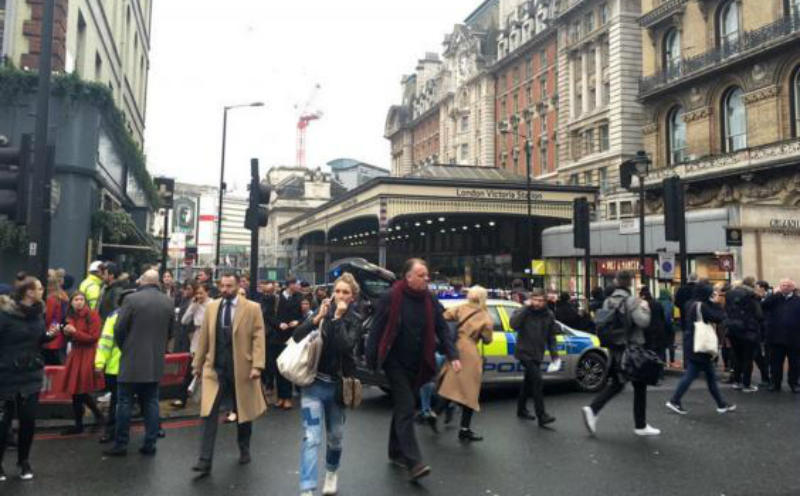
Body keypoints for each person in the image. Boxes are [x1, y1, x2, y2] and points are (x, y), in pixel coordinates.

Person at [366, 258, 459, 481]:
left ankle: (395, 452)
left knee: (401, 407)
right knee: (407, 406)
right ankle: (414, 462)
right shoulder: (391, 297)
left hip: (417, 363)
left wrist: (453, 355)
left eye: (427, 275)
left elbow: (442, 329)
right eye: (421, 275)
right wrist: (371, 359)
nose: (426, 278)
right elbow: (376, 330)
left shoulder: (430, 299)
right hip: (394, 362)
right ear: (408, 277)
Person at [293, 273, 362, 496]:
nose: (340, 295)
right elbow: (296, 336)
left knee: (335, 438)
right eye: (337, 291)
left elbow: (345, 346)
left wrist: (338, 319)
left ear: (352, 297)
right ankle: (307, 487)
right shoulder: (321, 312)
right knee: (311, 438)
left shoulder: (355, 320)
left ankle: (331, 472)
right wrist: (316, 319)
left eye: (345, 292)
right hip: (313, 385)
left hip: (337, 388)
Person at [191, 273, 266, 476]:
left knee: (243, 411)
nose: (225, 290)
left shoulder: (252, 308)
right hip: (215, 369)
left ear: (238, 285)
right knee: (208, 413)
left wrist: (257, 366)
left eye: (229, 286)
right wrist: (197, 364)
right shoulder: (212, 307)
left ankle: (244, 448)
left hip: (241, 369)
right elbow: (204, 338)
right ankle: (204, 460)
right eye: (222, 286)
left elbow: (258, 338)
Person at [103, 270, 175, 457]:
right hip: (155, 361)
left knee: (124, 402)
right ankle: (150, 443)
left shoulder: (131, 300)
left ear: (143, 281)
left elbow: (119, 328)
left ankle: (121, 444)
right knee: (151, 401)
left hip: (131, 359)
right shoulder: (168, 302)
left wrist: (125, 347)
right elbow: (170, 332)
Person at [581, 271, 658, 436]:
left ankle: (593, 410)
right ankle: (640, 425)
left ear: (616, 282)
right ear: (630, 283)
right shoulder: (632, 301)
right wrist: (646, 309)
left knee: (617, 383)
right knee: (639, 384)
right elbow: (643, 322)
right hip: (632, 349)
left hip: (615, 348)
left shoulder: (608, 301)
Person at [0, 276, 55, 481]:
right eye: (39, 288)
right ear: (29, 292)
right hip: (6, 376)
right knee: (3, 423)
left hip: (31, 375)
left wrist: (53, 333)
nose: (43, 290)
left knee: (28, 420)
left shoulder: (38, 315)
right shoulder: (5, 316)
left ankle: (23, 461)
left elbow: (39, 340)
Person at [433, 285, 493, 441]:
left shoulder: (459, 308)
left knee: (450, 386)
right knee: (469, 392)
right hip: (469, 352)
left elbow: (443, 317)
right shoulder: (485, 316)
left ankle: (434, 414)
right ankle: (464, 429)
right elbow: (487, 339)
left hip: (453, 348)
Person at [666, 283, 736, 415]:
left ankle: (721, 404)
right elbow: (718, 317)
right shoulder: (702, 306)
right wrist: (717, 304)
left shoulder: (691, 304)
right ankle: (674, 400)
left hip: (693, 343)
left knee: (709, 376)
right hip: (700, 345)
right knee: (692, 375)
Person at [510, 288, 559, 427]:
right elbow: (513, 324)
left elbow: (551, 337)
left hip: (537, 353)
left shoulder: (549, 315)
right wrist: (526, 307)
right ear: (531, 300)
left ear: (545, 301)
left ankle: (521, 409)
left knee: (528, 382)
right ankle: (542, 415)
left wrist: (555, 356)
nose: (538, 303)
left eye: (541, 300)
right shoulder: (524, 311)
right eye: (535, 300)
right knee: (537, 381)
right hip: (524, 352)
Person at [60, 292, 105, 436]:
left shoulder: (92, 315)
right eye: (76, 299)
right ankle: (92, 419)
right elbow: (68, 335)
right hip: (76, 353)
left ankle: (89, 421)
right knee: (76, 391)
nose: (79, 302)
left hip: (88, 353)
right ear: (71, 302)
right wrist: (65, 332)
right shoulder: (70, 316)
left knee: (80, 390)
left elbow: (93, 337)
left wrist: (74, 332)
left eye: (81, 299)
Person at [95, 289, 135, 444]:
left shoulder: (115, 316)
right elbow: (106, 342)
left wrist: (99, 363)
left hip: (119, 367)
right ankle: (116, 431)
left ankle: (114, 432)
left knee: (119, 402)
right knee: (122, 401)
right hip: (122, 366)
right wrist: (100, 363)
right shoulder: (116, 317)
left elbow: (105, 342)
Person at [172, 282, 211, 409]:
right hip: (197, 339)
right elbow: (184, 321)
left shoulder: (213, 304)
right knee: (191, 369)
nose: (199, 296)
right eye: (197, 293)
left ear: (207, 292)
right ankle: (181, 398)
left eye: (201, 293)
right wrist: (193, 306)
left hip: (210, 339)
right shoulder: (194, 305)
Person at [724, 277, 763, 392]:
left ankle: (737, 381)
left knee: (737, 357)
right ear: (753, 285)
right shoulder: (751, 295)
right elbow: (759, 314)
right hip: (748, 330)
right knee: (748, 358)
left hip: (733, 329)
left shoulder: (730, 294)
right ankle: (746, 384)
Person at [761, 279, 800, 393]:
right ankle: (775, 383)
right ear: (779, 287)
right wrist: (773, 294)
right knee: (775, 363)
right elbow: (763, 305)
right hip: (776, 337)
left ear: (793, 287)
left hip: (794, 338)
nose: (785, 287)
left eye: (788, 285)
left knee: (795, 363)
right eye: (783, 285)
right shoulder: (774, 299)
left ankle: (794, 383)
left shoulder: (797, 300)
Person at [275, 277, 304, 409]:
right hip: (278, 336)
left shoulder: (299, 298)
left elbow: (304, 316)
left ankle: (287, 397)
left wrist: (297, 322)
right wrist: (279, 324)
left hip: (293, 337)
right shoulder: (277, 298)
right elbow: (271, 316)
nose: (299, 286)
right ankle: (280, 397)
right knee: (279, 367)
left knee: (289, 366)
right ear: (290, 285)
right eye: (297, 284)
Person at [259, 281, 281, 405]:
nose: (268, 294)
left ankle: (269, 385)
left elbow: (269, 315)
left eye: (270, 291)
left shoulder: (275, 300)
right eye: (266, 292)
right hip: (265, 334)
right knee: (266, 362)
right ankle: (267, 384)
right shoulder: (262, 300)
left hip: (272, 335)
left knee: (271, 362)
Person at [43, 273, 68, 365]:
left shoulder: (51, 299)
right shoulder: (63, 296)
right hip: (59, 330)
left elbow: (48, 318)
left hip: (50, 333)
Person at [657, 289, 677, 367]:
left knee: (662, 346)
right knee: (671, 344)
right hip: (668, 327)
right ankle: (672, 361)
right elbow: (668, 316)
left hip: (660, 328)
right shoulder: (670, 304)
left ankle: (663, 362)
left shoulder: (657, 302)